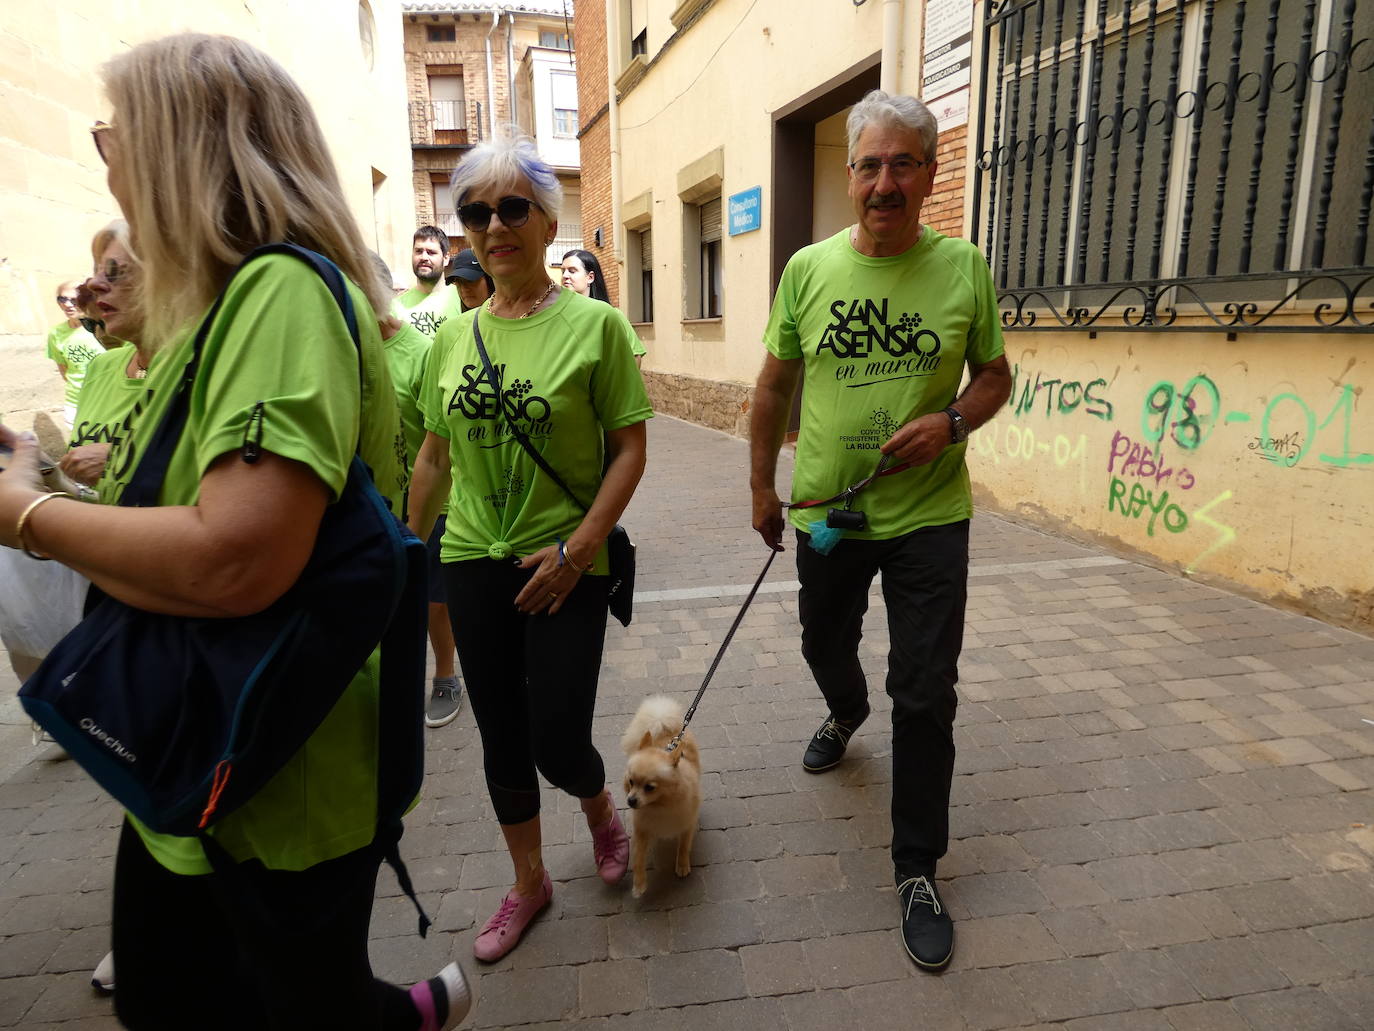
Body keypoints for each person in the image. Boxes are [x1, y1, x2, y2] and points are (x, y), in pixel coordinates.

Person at [0, 34, 471, 1030]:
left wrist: (27, 516)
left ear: (182, 146)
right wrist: (38, 474)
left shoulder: (279, 292)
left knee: (274, 1005)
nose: (106, 158)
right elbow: (176, 514)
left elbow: (234, 558)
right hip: (200, 736)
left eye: (112, 133)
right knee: (199, 999)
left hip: (271, 762)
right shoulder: (218, 308)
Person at [749, 89, 1011, 972]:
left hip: (930, 513)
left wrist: (955, 422)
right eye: (870, 165)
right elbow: (772, 386)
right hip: (829, 510)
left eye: (904, 163)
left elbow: (995, 376)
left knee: (927, 690)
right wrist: (759, 485)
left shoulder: (964, 268)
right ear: (850, 175)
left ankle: (916, 867)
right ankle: (843, 704)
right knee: (825, 637)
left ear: (932, 174)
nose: (885, 182)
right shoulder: (808, 270)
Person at [408, 126, 651, 962]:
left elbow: (630, 449)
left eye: (513, 207)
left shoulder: (596, 330)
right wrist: (411, 552)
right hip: (472, 556)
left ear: (549, 223)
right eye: (475, 213)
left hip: (567, 560)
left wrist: (581, 549)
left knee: (556, 736)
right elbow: (435, 456)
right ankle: (529, 881)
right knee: (502, 735)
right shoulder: (449, 337)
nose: (493, 226)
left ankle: (598, 809)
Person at [62, 220, 153, 490]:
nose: (93, 284)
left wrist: (124, 460)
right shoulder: (102, 365)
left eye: (114, 271)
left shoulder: (205, 366)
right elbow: (89, 493)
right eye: (97, 271)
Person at [562, 249, 646, 365]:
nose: (565, 275)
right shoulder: (558, 316)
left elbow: (634, 356)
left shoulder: (609, 315)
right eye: (563, 271)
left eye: (572, 271)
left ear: (590, 277)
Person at [46, 277, 106, 430]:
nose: (67, 305)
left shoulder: (102, 328)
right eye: (62, 299)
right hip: (75, 402)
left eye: (73, 300)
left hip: (106, 399)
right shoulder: (56, 333)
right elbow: (64, 370)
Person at [393, 226, 465, 338]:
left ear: (446, 258)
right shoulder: (396, 306)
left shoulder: (462, 296)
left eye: (431, 252)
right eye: (418, 251)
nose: (424, 257)